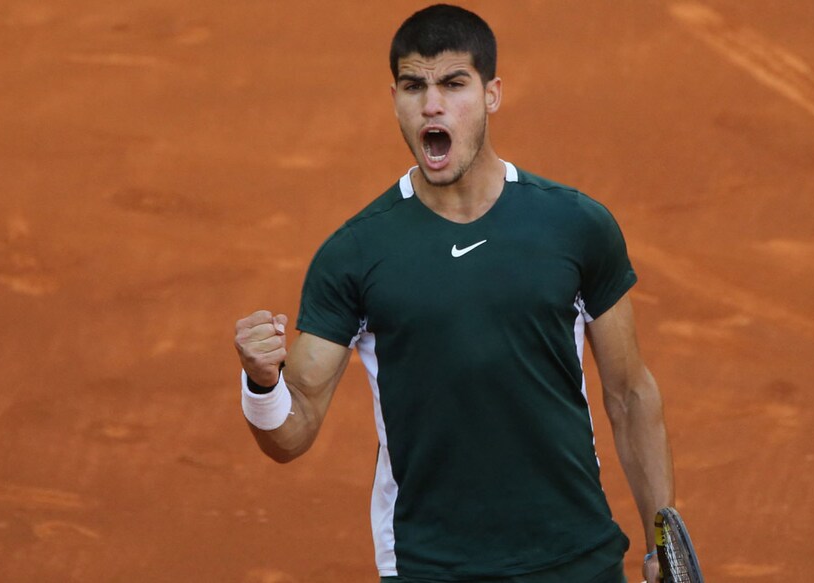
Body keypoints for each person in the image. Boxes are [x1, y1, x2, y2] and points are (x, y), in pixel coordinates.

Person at [233, 5, 675, 582]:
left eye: (453, 83)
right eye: (414, 86)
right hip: (430, 564)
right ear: (395, 98)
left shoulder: (575, 226)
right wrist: (262, 383)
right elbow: (292, 433)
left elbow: (630, 394)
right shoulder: (356, 254)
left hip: (576, 556)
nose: (432, 104)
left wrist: (662, 541)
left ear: (492, 94)